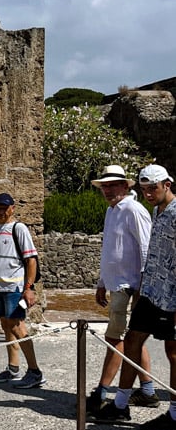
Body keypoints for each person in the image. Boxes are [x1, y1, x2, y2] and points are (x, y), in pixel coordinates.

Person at [95, 165, 176, 430]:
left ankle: (174, 414)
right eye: (145, 189)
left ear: (167, 184)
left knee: (173, 352)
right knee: (131, 340)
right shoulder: (156, 211)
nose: (149, 193)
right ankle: (120, 405)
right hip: (151, 289)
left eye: (153, 188)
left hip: (169, 292)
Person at [87, 165, 156, 414]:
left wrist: (144, 285)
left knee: (116, 338)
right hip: (118, 284)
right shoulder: (112, 210)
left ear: (126, 186)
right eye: (104, 185)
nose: (107, 190)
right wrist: (102, 283)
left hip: (131, 285)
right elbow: (109, 249)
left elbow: (147, 248)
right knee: (133, 337)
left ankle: (103, 391)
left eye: (113, 184)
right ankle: (147, 389)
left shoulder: (133, 210)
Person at [0, 193, 45, 388]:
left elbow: (31, 260)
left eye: (4, 208)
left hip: (14, 287)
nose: (1, 211)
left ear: (12, 208)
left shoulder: (18, 229)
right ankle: (13, 368)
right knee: (7, 326)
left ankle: (35, 371)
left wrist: (29, 288)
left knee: (18, 327)